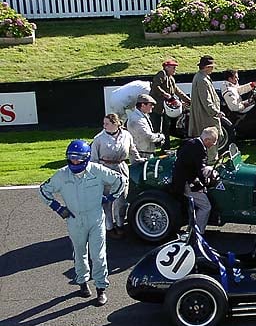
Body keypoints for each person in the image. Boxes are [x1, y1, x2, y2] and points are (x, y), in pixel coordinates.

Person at [39, 140, 125, 306]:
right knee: (79, 253)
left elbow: (120, 181)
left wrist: (110, 198)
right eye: (71, 158)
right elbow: (43, 190)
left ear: (86, 158)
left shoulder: (97, 170)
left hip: (96, 218)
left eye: (78, 158)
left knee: (98, 255)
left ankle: (101, 288)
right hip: (74, 219)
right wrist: (57, 208)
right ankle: (82, 282)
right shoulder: (61, 175)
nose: (75, 161)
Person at [91, 113, 146, 239]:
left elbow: (132, 150)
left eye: (107, 123)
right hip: (105, 169)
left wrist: (138, 160)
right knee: (107, 201)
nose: (104, 126)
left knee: (122, 199)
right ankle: (109, 227)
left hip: (121, 168)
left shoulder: (126, 135)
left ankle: (120, 224)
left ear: (115, 124)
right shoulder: (98, 139)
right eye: (104, 123)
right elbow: (93, 160)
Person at [172, 127, 219, 235]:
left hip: (182, 177)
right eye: (213, 142)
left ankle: (192, 227)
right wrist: (206, 183)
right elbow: (201, 170)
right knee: (205, 206)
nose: (213, 145)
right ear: (207, 140)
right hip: (187, 182)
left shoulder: (189, 142)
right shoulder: (199, 149)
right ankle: (197, 233)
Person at [149, 59, 190, 150]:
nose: (175, 70)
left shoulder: (171, 79)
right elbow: (156, 86)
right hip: (157, 108)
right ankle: (155, 147)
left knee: (166, 128)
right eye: (173, 68)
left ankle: (165, 147)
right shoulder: (162, 74)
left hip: (165, 108)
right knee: (156, 127)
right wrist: (165, 94)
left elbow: (177, 91)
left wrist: (188, 100)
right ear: (167, 67)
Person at [189, 55, 223, 163]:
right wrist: (216, 112)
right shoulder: (202, 80)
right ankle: (211, 161)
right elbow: (206, 101)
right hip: (206, 117)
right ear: (207, 67)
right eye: (211, 67)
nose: (213, 69)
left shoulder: (200, 77)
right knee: (211, 138)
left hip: (205, 115)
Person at [127, 94, 165, 158]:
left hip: (144, 152)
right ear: (143, 105)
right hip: (141, 154)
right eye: (150, 105)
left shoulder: (141, 116)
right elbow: (147, 136)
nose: (152, 107)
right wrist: (160, 136)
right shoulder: (136, 119)